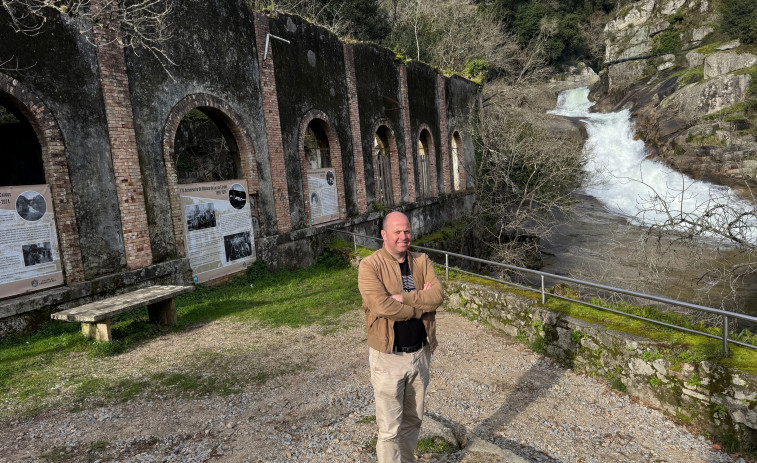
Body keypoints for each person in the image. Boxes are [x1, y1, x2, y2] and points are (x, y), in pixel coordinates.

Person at [358, 211, 444, 463]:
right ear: (384, 235)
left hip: (420, 354)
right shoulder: (370, 265)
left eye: (406, 231)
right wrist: (422, 303)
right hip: (388, 357)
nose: (403, 237)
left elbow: (438, 295)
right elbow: (382, 306)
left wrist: (404, 298)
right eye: (397, 232)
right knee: (389, 429)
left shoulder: (422, 260)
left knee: (413, 420)